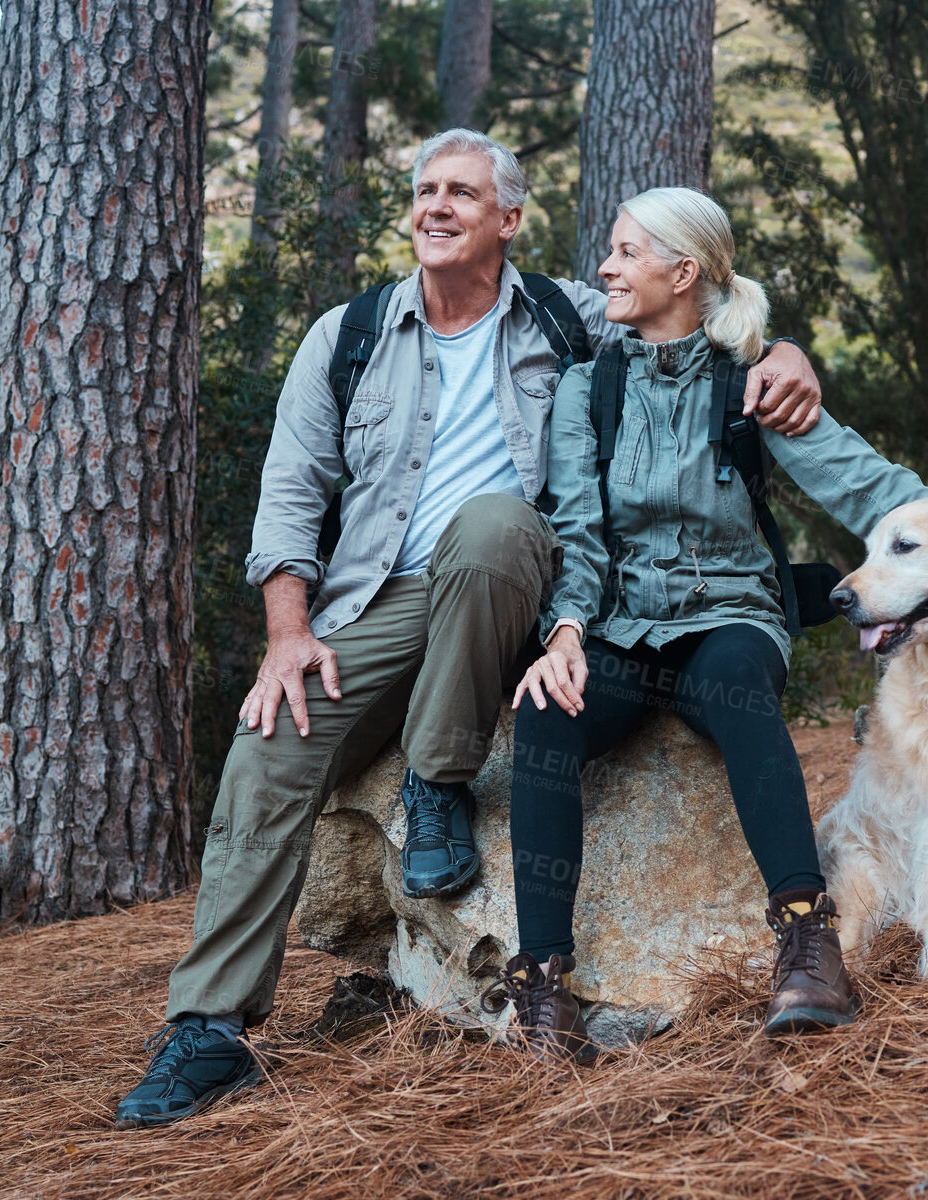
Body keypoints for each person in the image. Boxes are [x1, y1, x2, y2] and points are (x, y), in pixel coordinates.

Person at [114, 131, 827, 1128]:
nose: (437, 207)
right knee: (272, 744)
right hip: (378, 597)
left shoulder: (568, 317)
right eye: (425, 190)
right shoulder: (349, 334)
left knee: (493, 526)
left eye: (463, 193)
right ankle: (209, 1030)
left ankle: (438, 776)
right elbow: (290, 495)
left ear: (509, 220)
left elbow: (694, 317)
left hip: (517, 591)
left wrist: (788, 353)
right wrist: (288, 633)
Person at [484, 186, 928, 1061]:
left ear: (682, 272)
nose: (606, 268)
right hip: (618, 627)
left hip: (730, 613)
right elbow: (575, 528)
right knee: (546, 713)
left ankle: (807, 943)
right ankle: (542, 988)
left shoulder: (751, 380)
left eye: (624, 252)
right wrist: (567, 635)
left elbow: (865, 484)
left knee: (735, 684)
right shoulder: (590, 388)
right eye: (608, 252)